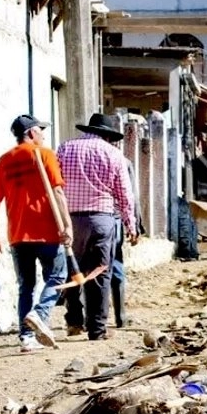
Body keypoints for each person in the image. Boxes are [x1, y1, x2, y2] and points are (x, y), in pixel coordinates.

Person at [0, 114, 72, 352]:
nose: (43, 135)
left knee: (26, 286)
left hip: (18, 235)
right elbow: (57, 192)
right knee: (57, 277)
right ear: (32, 133)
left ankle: (26, 338)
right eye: (41, 131)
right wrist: (67, 225)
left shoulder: (3, 161)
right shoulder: (45, 154)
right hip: (47, 232)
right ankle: (39, 313)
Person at [57, 112, 138, 341]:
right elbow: (125, 193)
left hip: (70, 219)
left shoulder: (64, 149)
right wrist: (130, 224)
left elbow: (55, 185)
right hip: (102, 219)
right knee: (100, 273)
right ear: (108, 136)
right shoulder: (114, 154)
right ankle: (97, 329)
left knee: (73, 271)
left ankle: (73, 321)